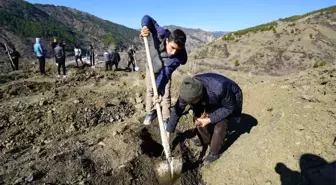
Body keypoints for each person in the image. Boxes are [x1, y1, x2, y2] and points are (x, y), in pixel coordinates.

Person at [165, 73, 243, 163]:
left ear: (199, 95)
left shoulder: (219, 88)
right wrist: (169, 130)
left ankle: (214, 152)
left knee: (220, 124)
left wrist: (209, 119)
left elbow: (229, 108)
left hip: (229, 99)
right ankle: (205, 139)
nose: (188, 103)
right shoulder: (187, 91)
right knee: (197, 117)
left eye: (191, 101)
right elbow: (177, 110)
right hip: (210, 97)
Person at [140, 15, 188, 126]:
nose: (173, 52)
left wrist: (159, 90)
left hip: (164, 71)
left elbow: (165, 74)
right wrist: (145, 26)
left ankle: (166, 118)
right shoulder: (161, 33)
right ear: (167, 41)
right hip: (151, 66)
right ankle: (150, 112)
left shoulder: (178, 57)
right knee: (150, 90)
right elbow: (148, 18)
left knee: (165, 94)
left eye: (177, 49)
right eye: (172, 47)